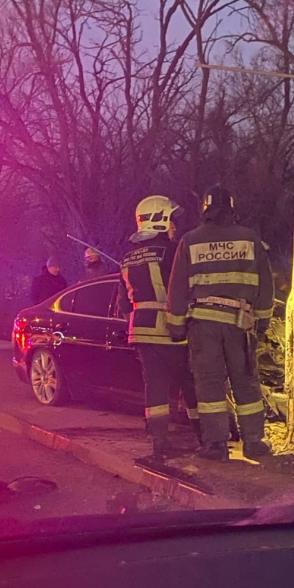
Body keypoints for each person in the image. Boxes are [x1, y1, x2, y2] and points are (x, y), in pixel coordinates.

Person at [166, 185, 274, 463]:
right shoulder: (250, 240)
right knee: (246, 382)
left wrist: (176, 326)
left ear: (205, 210)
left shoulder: (190, 241)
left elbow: (177, 288)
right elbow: (265, 284)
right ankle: (254, 441)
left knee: (210, 384)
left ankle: (216, 444)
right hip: (241, 324)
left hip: (204, 325)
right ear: (232, 207)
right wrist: (262, 322)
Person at [118, 196, 199, 459]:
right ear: (160, 220)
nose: (175, 225)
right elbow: (187, 286)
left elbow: (124, 304)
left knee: (155, 385)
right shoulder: (173, 250)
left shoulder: (127, 258)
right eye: (172, 220)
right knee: (190, 381)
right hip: (170, 328)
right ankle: (204, 434)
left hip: (140, 331)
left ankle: (159, 440)